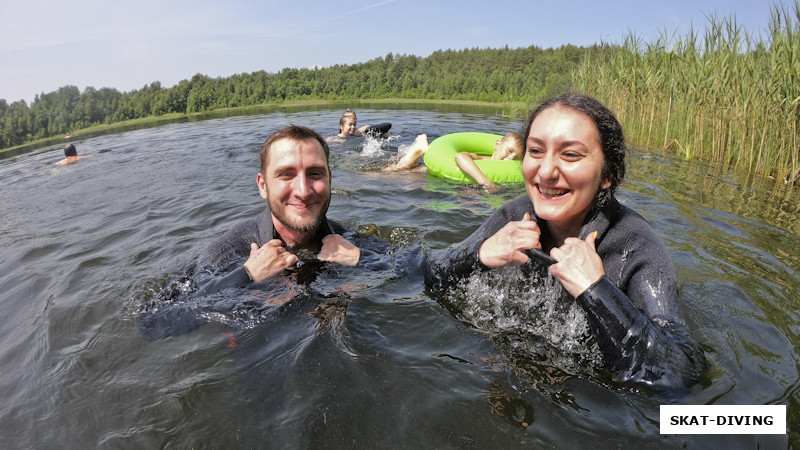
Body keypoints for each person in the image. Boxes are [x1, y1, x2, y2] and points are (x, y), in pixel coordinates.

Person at [424, 94, 706, 392]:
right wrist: (478, 254)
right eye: (535, 151)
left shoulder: (636, 246)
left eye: (570, 155)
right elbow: (425, 271)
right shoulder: (513, 216)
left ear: (607, 175)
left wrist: (597, 289)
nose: (545, 172)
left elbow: (680, 374)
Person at [139, 125, 367, 339]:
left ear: (330, 179)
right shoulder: (230, 251)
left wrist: (362, 259)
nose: (303, 191)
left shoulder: (344, 240)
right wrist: (247, 276)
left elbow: (403, 268)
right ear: (263, 186)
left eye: (315, 173)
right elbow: (153, 323)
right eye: (286, 174)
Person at [383, 132, 524, 193]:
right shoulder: (482, 159)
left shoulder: (509, 170)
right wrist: (485, 182)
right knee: (394, 173)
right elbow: (460, 157)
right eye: (509, 151)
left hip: (439, 180)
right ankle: (419, 150)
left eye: (516, 157)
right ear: (497, 145)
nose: (510, 158)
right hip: (429, 174)